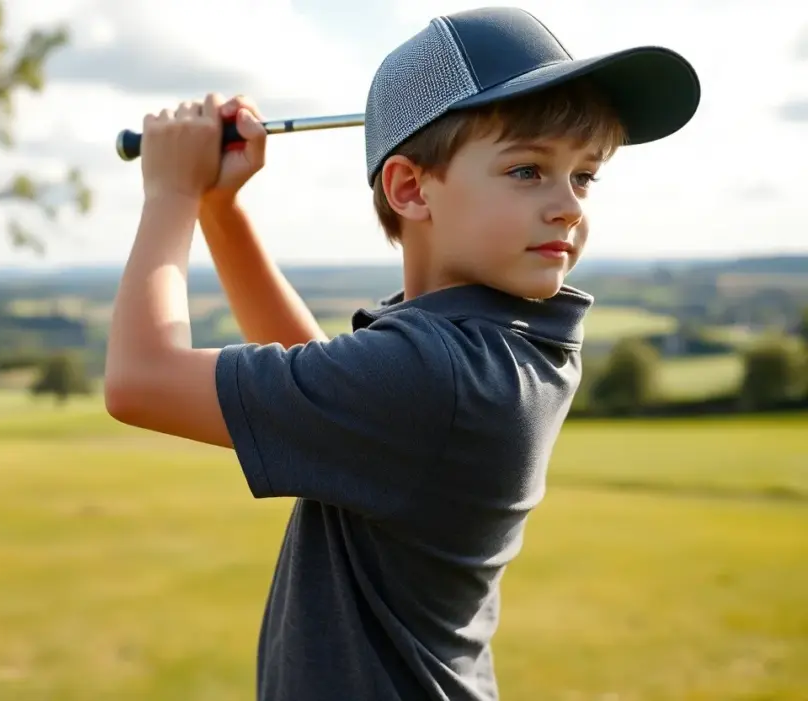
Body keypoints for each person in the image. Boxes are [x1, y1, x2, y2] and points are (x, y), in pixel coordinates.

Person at [103, 6, 700, 700]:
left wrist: (171, 191)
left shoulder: (439, 374)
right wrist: (219, 210)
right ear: (411, 188)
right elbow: (324, 385)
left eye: (584, 175)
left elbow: (140, 379)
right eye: (530, 170)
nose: (569, 204)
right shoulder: (495, 346)